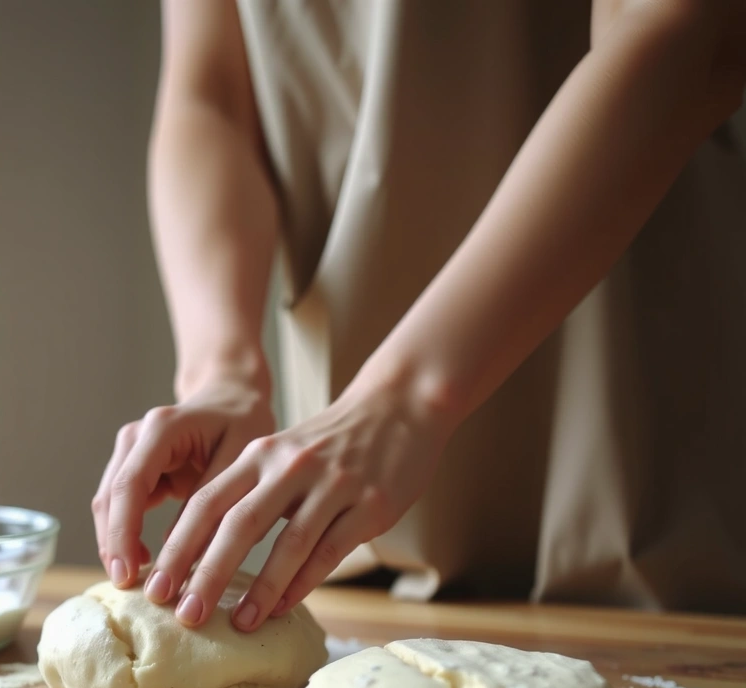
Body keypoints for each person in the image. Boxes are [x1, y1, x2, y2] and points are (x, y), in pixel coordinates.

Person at [92, 0, 746, 630]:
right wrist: (222, 370)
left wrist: (407, 396)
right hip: (366, 549)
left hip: (630, 434)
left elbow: (684, 32)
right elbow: (214, 95)